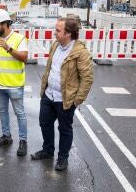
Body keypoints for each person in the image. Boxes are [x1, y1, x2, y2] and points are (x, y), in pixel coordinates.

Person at [31, 17, 94, 171]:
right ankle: (48, 151)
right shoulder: (55, 45)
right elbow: (50, 69)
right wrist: (44, 88)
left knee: (65, 129)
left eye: (58, 31)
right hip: (49, 95)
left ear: (68, 33)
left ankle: (63, 158)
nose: (54, 33)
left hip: (66, 99)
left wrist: (77, 100)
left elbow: (87, 78)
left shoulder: (80, 53)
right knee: (45, 123)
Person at [0, 9, 29, 156]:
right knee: (2, 112)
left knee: (19, 113)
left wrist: (8, 48)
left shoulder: (19, 38)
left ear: (5, 24)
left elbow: (24, 57)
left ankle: (23, 140)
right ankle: (6, 136)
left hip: (14, 84)